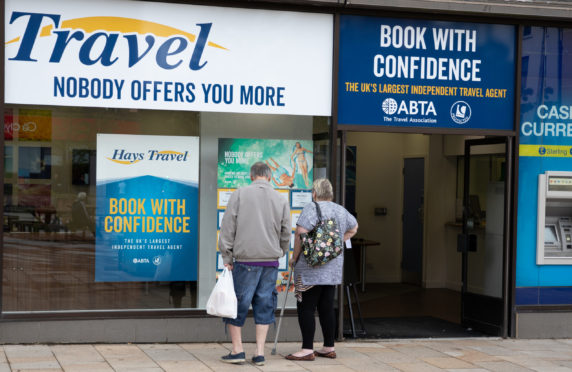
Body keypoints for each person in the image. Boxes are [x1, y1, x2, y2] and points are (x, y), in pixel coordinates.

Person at [218, 161, 291, 366]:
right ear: (268, 177)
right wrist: (280, 252)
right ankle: (259, 353)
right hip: (270, 262)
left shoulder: (240, 194)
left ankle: (238, 350)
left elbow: (227, 228)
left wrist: (227, 256)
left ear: (252, 176)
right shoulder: (281, 198)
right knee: (264, 304)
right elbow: (286, 232)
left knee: (237, 305)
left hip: (245, 260)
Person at [286, 178, 358, 361]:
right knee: (326, 307)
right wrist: (336, 242)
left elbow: (300, 234)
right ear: (331, 193)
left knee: (306, 308)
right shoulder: (339, 209)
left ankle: (307, 349)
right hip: (332, 269)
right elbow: (354, 227)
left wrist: (294, 258)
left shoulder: (311, 208)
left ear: (314, 193)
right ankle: (328, 347)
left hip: (310, 269)